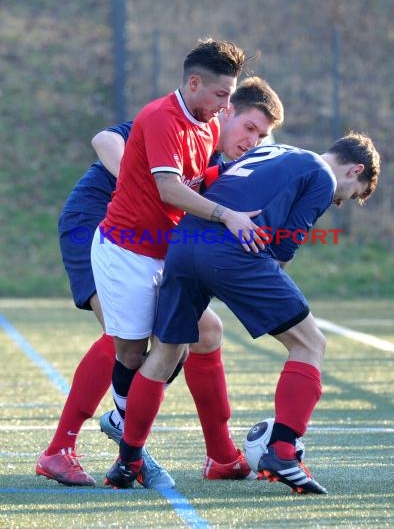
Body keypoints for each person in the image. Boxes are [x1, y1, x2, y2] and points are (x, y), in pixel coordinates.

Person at [35, 66, 284, 486]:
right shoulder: (179, 122)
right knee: (123, 339)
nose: (251, 141)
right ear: (224, 110)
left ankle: (220, 455)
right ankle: (63, 449)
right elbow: (105, 139)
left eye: (261, 138)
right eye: (249, 127)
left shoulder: (218, 157)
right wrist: (140, 182)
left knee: (204, 332)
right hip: (96, 222)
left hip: (149, 240)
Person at [103, 132, 381, 495]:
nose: (341, 202)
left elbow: (217, 186)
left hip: (186, 242)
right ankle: (283, 449)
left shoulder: (271, 149)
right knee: (310, 343)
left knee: (166, 353)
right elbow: (281, 251)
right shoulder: (324, 176)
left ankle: (129, 460)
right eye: (353, 195)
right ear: (354, 170)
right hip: (233, 252)